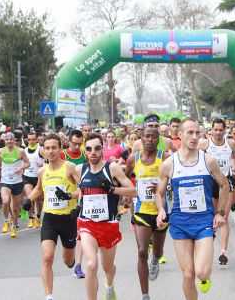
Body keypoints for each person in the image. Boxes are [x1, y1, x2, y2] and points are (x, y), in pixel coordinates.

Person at [155, 118, 229, 300]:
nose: (195, 136)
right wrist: (160, 210)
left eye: (197, 133)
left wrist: (220, 213)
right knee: (188, 274)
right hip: (179, 223)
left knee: (202, 272)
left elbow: (225, 185)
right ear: (179, 135)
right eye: (190, 132)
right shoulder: (169, 164)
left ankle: (204, 278)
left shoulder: (208, 161)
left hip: (203, 221)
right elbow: (159, 192)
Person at [76, 133, 136, 300]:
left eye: (96, 148)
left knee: (107, 267)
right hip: (87, 223)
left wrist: (112, 190)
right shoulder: (79, 169)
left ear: (102, 149)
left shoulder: (112, 168)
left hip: (108, 224)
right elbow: (79, 190)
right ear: (85, 151)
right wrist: (69, 195)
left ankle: (109, 285)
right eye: (89, 149)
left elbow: (133, 190)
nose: (93, 152)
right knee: (91, 264)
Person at [27, 133, 80, 300]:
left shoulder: (70, 167)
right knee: (47, 257)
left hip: (68, 218)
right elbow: (38, 189)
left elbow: (84, 189)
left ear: (60, 149)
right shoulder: (42, 171)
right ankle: (49, 296)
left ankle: (71, 262)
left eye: (54, 148)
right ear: (43, 150)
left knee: (68, 260)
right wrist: (28, 200)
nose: (51, 151)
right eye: (47, 148)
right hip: (49, 218)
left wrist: (72, 198)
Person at [125, 127, 170, 300]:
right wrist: (128, 194)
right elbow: (124, 178)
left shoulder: (165, 158)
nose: (150, 140)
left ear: (158, 140)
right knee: (142, 251)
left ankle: (156, 259)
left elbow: (174, 180)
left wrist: (162, 187)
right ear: (141, 139)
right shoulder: (133, 159)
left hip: (160, 211)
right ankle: (145, 294)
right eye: (147, 136)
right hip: (141, 211)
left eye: (153, 137)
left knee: (157, 251)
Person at [198, 118, 235, 266]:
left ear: (225, 130)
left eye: (221, 130)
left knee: (223, 217)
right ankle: (209, 243)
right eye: (216, 129)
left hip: (225, 184)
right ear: (211, 130)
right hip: (210, 184)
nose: (218, 132)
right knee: (212, 217)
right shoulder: (205, 144)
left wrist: (234, 169)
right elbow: (198, 160)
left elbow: (234, 158)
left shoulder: (231, 143)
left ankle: (223, 252)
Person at [60, 129, 87, 279]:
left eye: (79, 144)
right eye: (74, 143)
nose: (76, 147)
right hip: (64, 200)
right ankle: (71, 259)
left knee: (81, 233)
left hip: (82, 197)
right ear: (68, 141)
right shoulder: (62, 155)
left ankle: (78, 266)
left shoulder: (85, 155)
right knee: (69, 237)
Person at [0, 132, 30, 238]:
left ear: (14, 140)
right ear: (4, 141)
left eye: (11, 139)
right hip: (5, 181)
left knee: (15, 208)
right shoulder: (0, 151)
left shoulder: (20, 151)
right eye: (7, 140)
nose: (9, 141)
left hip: (17, 182)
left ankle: (14, 226)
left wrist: (21, 167)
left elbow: (28, 163)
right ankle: (6, 221)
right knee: (5, 201)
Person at [23, 132, 45, 229]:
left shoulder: (40, 149)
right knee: (29, 197)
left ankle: (38, 216)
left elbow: (47, 160)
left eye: (33, 139)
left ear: (36, 140)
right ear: (27, 140)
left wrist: (42, 164)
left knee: (39, 200)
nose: (31, 141)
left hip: (38, 177)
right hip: (27, 176)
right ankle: (31, 217)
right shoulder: (24, 150)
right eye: (29, 139)